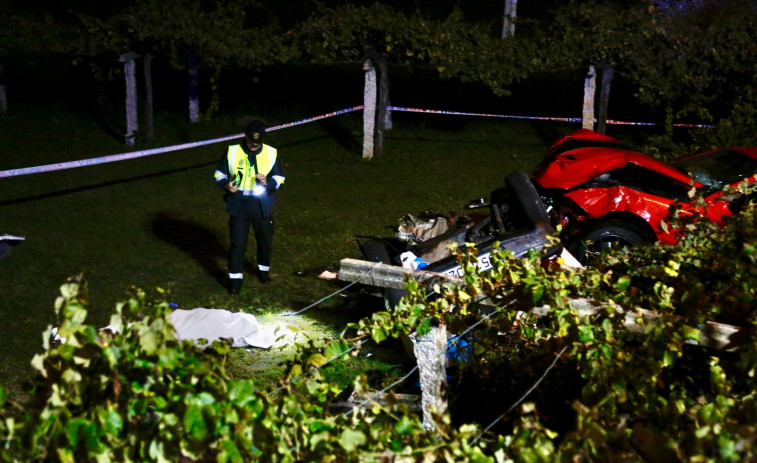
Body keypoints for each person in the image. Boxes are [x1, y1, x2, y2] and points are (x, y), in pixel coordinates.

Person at [213, 119, 285, 294]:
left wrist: (268, 182)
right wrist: (226, 185)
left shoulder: (271, 153)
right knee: (237, 243)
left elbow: (280, 178)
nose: (254, 147)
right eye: (251, 143)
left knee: (265, 240)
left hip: (262, 205)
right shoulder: (232, 151)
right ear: (245, 136)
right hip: (240, 205)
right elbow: (218, 173)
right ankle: (235, 281)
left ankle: (263, 271)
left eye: (257, 144)